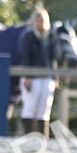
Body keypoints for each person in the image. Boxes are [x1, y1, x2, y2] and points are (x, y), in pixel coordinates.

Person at [18, 8, 57, 136]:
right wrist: (27, 76)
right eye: (38, 20)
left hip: (46, 76)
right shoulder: (28, 36)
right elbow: (25, 57)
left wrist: (55, 76)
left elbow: (52, 59)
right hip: (32, 77)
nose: (40, 23)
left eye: (42, 20)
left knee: (44, 109)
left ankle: (42, 137)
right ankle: (28, 136)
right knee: (30, 106)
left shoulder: (50, 37)